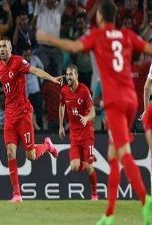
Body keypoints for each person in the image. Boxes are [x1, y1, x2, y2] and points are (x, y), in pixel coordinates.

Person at [36, 0, 152, 224]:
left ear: (100, 16)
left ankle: (145, 202)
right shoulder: (126, 34)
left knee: (124, 153)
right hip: (131, 100)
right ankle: (108, 214)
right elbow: (148, 49)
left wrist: (47, 38)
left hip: (116, 103)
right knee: (112, 156)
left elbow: (73, 47)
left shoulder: (98, 36)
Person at [0, 38, 61, 202]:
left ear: (11, 49)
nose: (2, 49)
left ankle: (48, 146)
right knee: (10, 152)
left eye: (4, 46)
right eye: (0, 47)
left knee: (31, 156)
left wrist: (51, 78)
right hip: (10, 116)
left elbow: (35, 71)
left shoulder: (18, 61)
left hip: (24, 114)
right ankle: (17, 194)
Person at [59, 64, 98, 201]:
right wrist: (61, 126)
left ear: (77, 75)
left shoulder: (84, 90)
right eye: (67, 74)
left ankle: (94, 193)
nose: (68, 77)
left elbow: (93, 112)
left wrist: (86, 118)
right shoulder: (64, 91)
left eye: (70, 74)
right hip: (74, 135)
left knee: (89, 167)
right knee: (74, 167)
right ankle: (87, 160)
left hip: (87, 134)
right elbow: (62, 105)